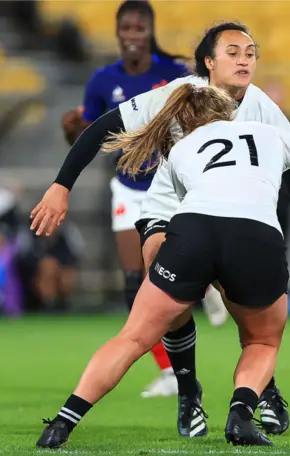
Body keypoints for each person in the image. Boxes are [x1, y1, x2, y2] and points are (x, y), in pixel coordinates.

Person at [35, 83, 290, 450]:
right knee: (261, 342)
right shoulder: (268, 133)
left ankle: (62, 422)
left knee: (131, 338)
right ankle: (241, 413)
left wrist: (177, 275)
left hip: (192, 233)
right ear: (225, 111)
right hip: (256, 237)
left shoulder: (179, 149)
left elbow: (163, 218)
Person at [31, 22, 290, 437]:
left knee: (247, 306)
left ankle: (259, 387)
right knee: (167, 305)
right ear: (209, 63)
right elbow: (100, 129)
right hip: (169, 208)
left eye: (251, 52)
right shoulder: (177, 94)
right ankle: (188, 391)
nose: (245, 59)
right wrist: (60, 186)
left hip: (233, 215)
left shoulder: (263, 106)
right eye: (233, 52)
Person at [60, 0, 188, 398]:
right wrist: (73, 130)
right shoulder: (102, 81)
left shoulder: (174, 75)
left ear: (150, 32)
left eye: (139, 30)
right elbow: (91, 137)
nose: (133, 37)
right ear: (118, 34)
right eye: (126, 30)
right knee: (136, 282)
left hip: (171, 189)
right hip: (129, 187)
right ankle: (170, 374)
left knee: (174, 278)